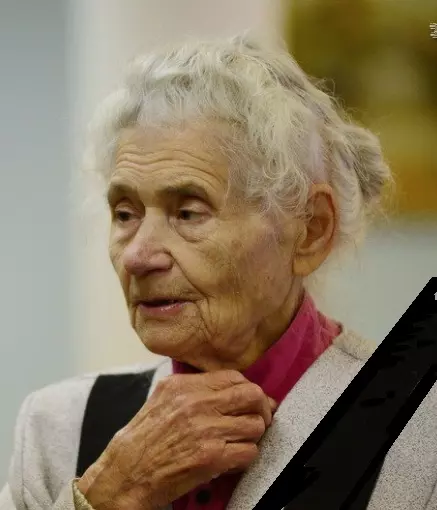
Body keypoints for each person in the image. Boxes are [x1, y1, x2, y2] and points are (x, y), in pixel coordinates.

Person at [1, 33, 436, 510]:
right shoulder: (59, 429)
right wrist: (105, 497)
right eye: (125, 214)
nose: (137, 256)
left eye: (188, 212)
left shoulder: (421, 432)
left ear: (310, 230)